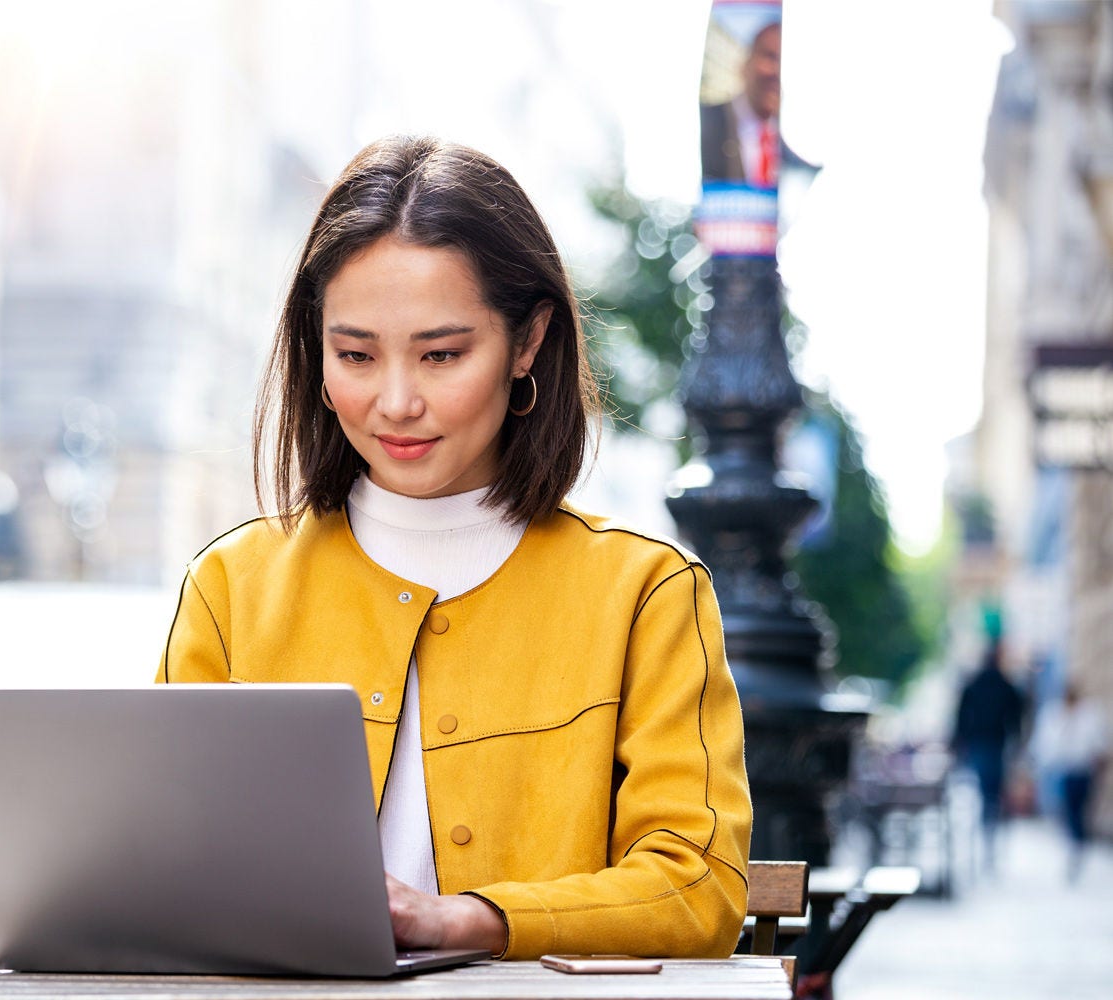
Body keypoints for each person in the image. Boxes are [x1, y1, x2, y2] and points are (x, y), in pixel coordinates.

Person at [157, 136, 752, 960]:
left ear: (529, 341)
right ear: (316, 352)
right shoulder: (230, 588)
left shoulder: (645, 592)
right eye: (356, 354)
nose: (396, 401)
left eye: (442, 354)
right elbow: (161, 866)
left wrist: (474, 919)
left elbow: (697, 885)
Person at [950, 640, 1026, 867]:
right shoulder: (1006, 685)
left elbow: (961, 716)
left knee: (985, 791)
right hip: (996, 743)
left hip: (980, 744)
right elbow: (1016, 718)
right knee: (992, 792)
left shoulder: (974, 684)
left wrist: (959, 741)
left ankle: (987, 831)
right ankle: (989, 832)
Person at [1031, 683, 1108, 880]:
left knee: (1080, 809)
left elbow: (1098, 742)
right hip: (1064, 770)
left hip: (1083, 770)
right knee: (1068, 808)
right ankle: (1075, 843)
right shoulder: (1054, 714)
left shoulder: (1089, 715)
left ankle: (1078, 843)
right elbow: (1045, 743)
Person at [700, 21, 783, 187]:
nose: (777, 71)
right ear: (745, 64)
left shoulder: (789, 159)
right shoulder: (711, 121)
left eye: (782, 61)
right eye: (770, 57)